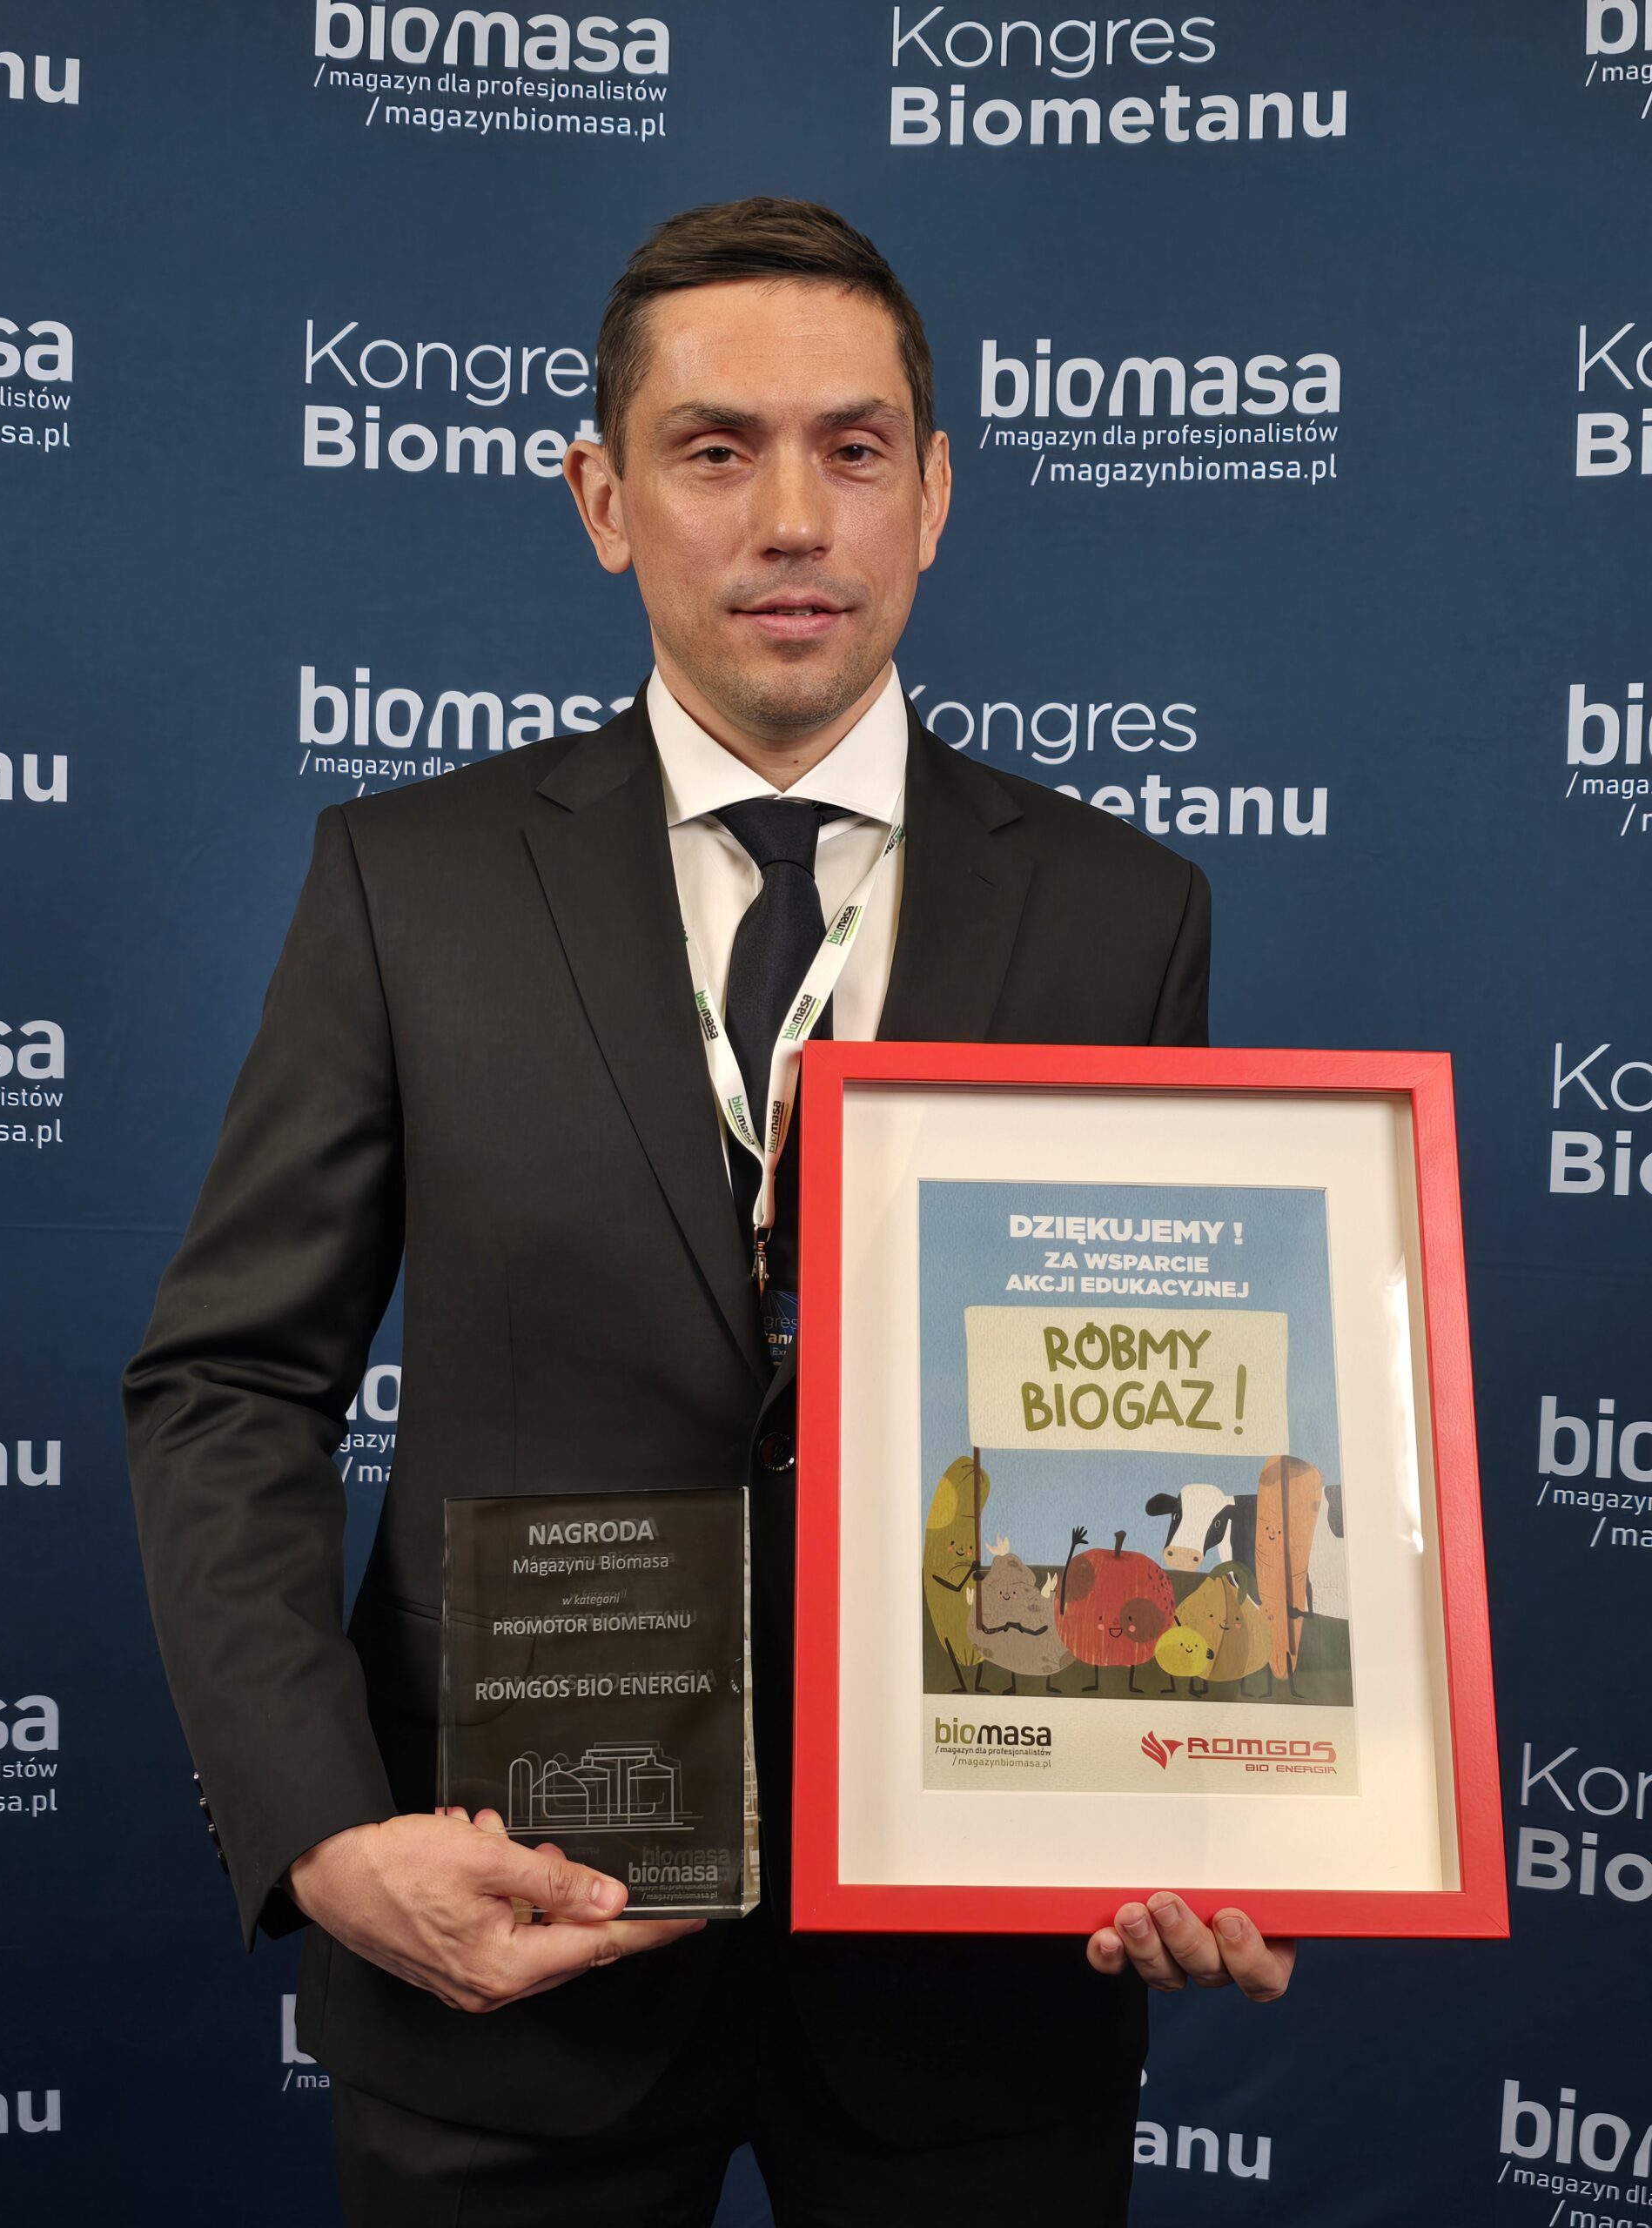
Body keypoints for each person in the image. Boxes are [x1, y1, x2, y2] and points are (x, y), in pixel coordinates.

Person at [124, 198, 1293, 2228]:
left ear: (934, 495)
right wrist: (322, 1834)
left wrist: (1209, 1801)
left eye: (854, 449)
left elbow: (1146, 1406)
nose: (793, 519)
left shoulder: (1125, 909)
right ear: (604, 498)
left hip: (975, 1984)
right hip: (509, 1929)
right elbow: (229, 1381)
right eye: (715, 448)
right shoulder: (409, 882)